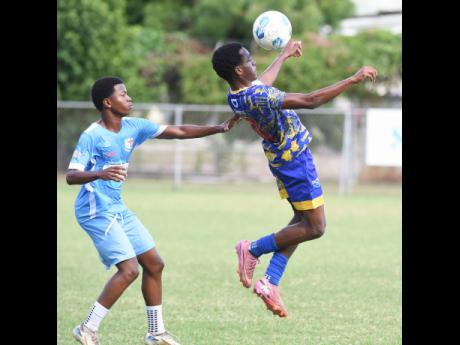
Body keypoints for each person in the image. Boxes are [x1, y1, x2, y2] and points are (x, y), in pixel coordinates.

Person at [67, 76, 239, 345]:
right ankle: (87, 328)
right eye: (123, 94)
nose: (129, 98)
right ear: (107, 102)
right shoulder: (92, 136)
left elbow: (178, 131)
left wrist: (218, 128)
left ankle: (156, 333)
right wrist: (100, 173)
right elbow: (71, 176)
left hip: (116, 207)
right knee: (129, 270)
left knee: (154, 264)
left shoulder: (134, 127)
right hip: (94, 210)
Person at [212, 41, 377, 317]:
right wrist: (353, 79)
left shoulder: (236, 93)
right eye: (250, 60)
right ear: (239, 70)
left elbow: (260, 84)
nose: (255, 63)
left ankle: (270, 282)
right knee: (316, 227)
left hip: (284, 159)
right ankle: (252, 249)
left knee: (301, 223)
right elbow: (310, 101)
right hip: (295, 161)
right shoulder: (259, 97)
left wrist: (283, 56)